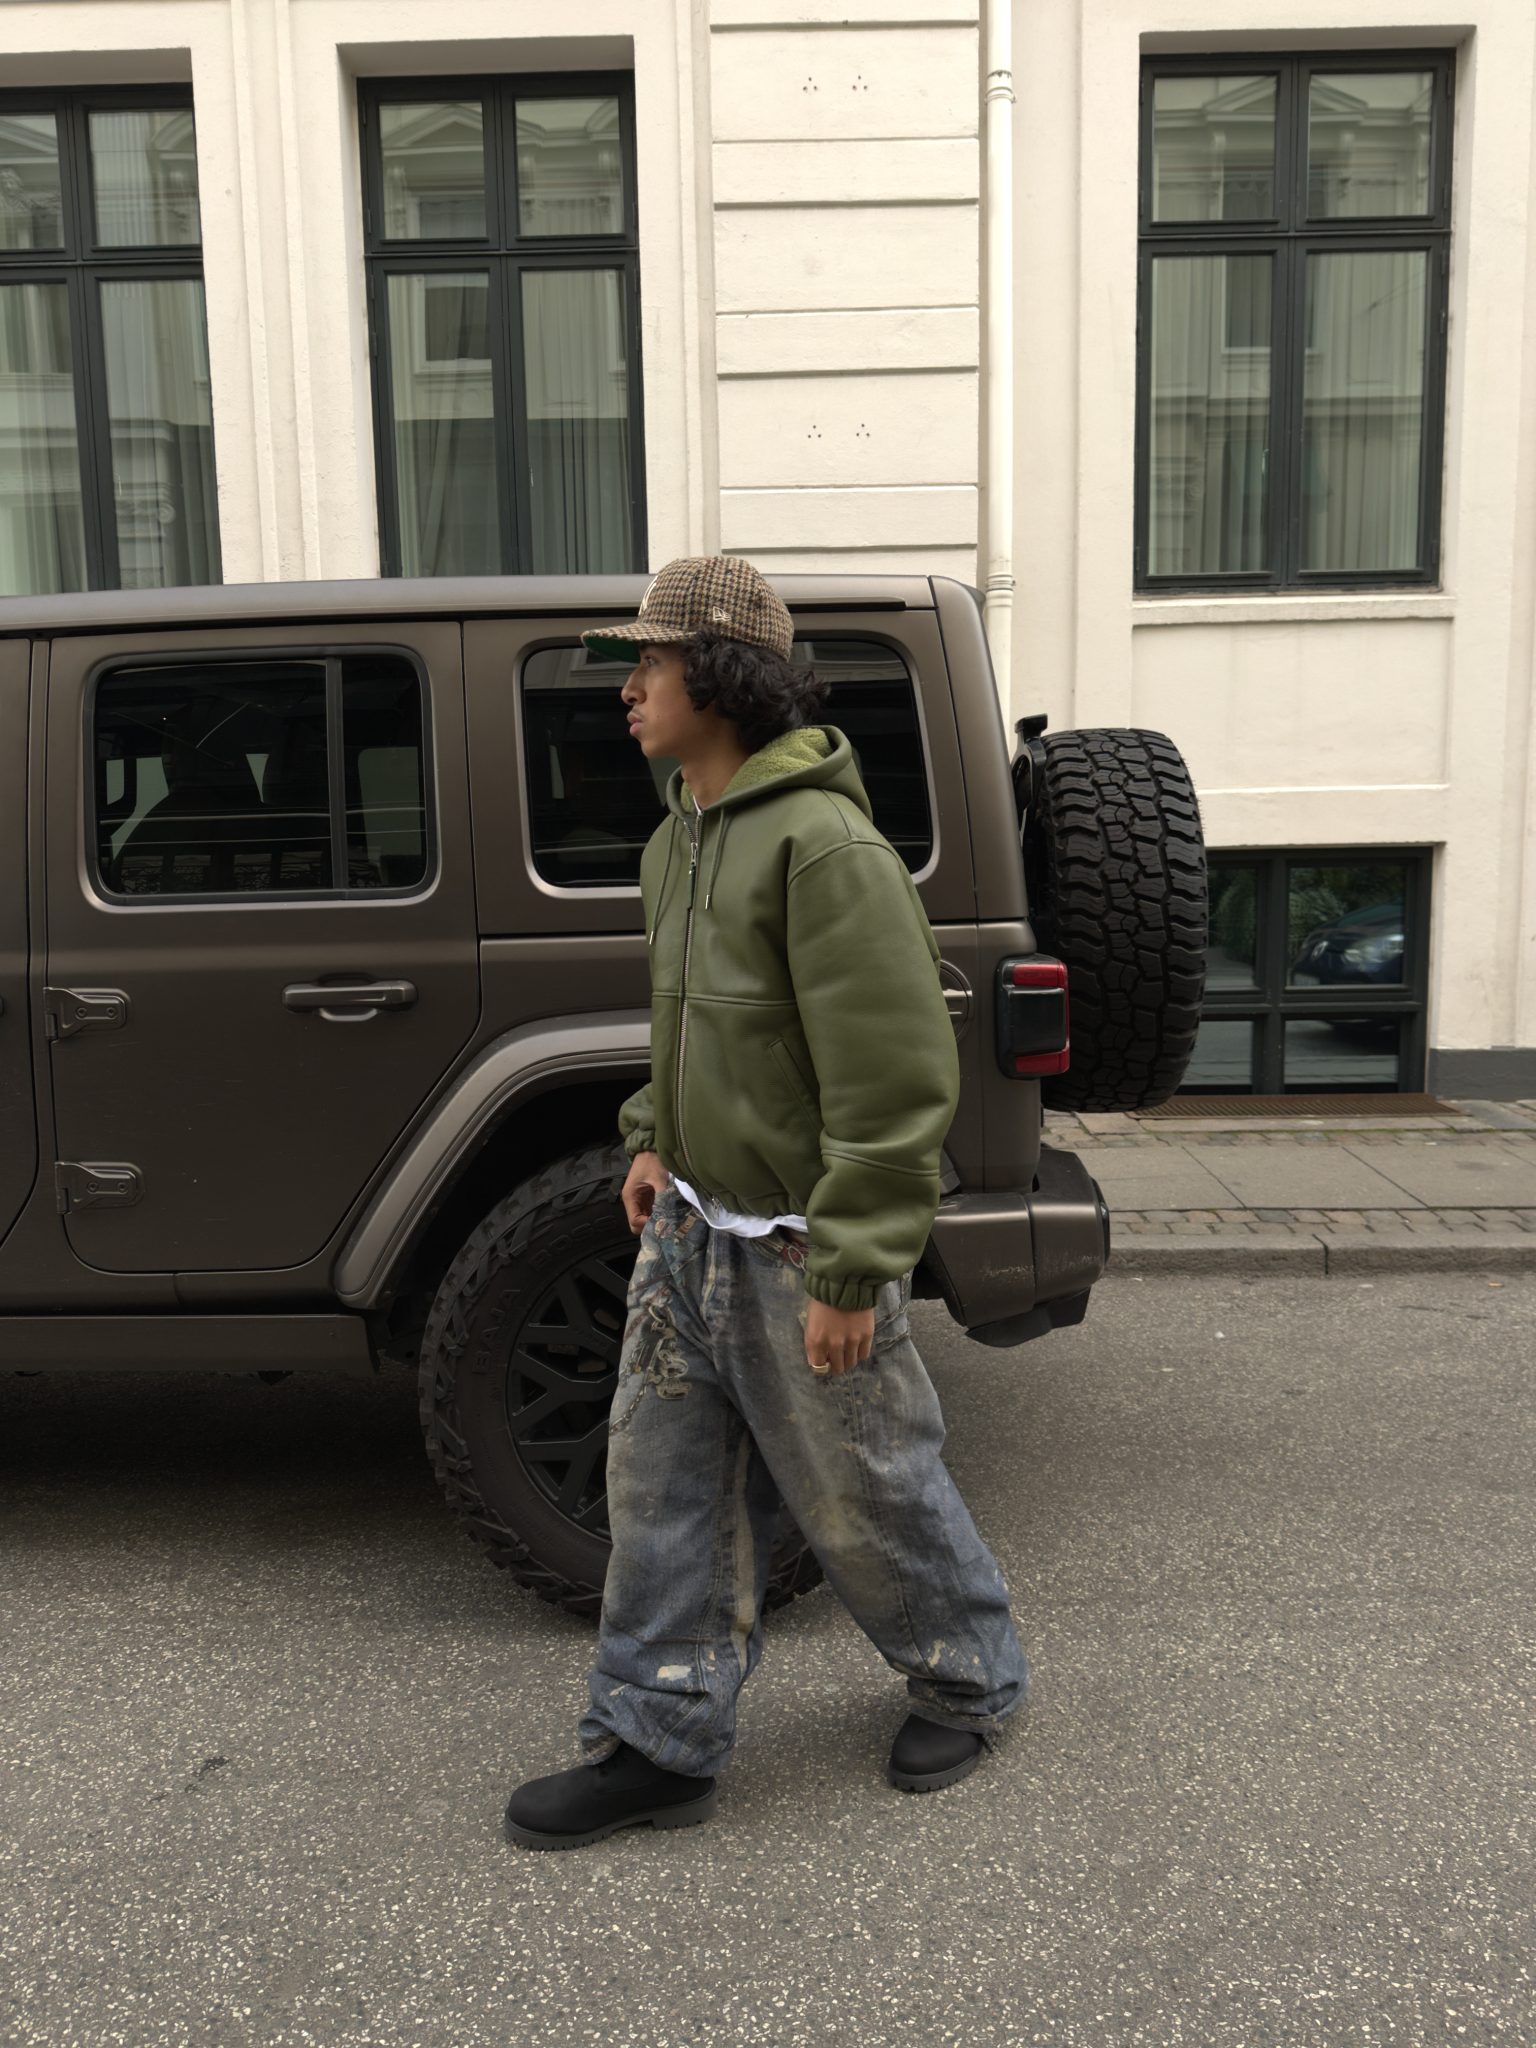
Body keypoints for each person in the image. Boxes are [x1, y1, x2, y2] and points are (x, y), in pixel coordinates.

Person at [505, 556, 1027, 1850]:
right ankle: (657, 1739)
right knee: (660, 1495)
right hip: (689, 1228)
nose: (629, 687)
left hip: (799, 1247)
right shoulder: (678, 837)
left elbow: (894, 1079)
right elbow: (695, 1027)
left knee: (867, 1492)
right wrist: (652, 1137)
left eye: (651, 663)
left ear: (722, 679)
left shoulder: (825, 849)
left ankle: (968, 1679)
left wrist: (854, 1266)